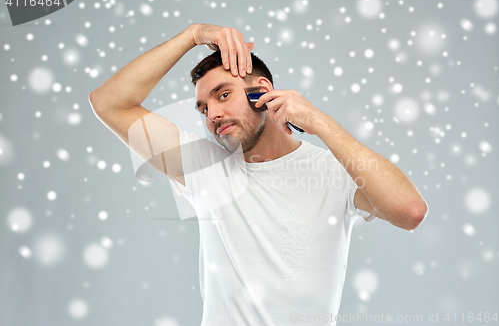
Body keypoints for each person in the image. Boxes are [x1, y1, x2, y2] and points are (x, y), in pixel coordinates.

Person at [89, 23, 429, 325]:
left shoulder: (333, 170)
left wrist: (319, 122)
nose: (213, 115)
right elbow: (109, 103)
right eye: (204, 108)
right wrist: (192, 36)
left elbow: (410, 211)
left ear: (262, 91)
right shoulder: (204, 167)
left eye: (223, 95)